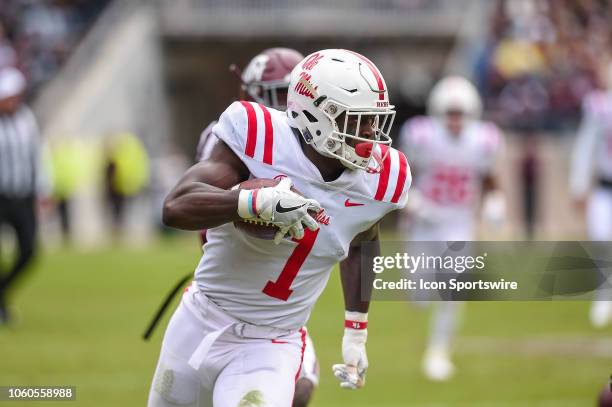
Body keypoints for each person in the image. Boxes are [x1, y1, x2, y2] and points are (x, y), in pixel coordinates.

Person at [148, 49, 410, 407]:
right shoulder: (258, 137)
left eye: (374, 120)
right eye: (357, 120)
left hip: (271, 342)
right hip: (198, 319)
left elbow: (364, 238)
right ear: (319, 116)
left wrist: (356, 328)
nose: (370, 134)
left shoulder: (382, 181)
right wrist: (249, 203)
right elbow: (175, 207)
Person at [195, 47, 320, 406]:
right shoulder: (233, 135)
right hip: (237, 284)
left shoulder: (312, 142)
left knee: (301, 385)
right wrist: (253, 210)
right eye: (279, 94)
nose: (288, 104)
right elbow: (203, 213)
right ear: (250, 94)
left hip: (288, 295)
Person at [398, 76, 505, 381]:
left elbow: (489, 177)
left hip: (458, 222)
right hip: (423, 222)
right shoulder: (421, 135)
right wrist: (413, 200)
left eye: (461, 114)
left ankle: (438, 352)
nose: (456, 121)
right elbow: (405, 174)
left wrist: (496, 201)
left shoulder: (484, 140)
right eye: (450, 113)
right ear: (437, 112)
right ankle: (423, 304)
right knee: (419, 292)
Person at [0, 67, 45, 324]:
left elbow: (37, 154)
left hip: (22, 195)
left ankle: (2, 291)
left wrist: (42, 188)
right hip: (0, 196)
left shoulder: (26, 118)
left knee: (28, 251)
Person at [570, 61, 612, 328]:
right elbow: (585, 145)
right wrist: (578, 184)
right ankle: (604, 296)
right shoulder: (601, 106)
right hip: (604, 187)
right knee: (600, 241)